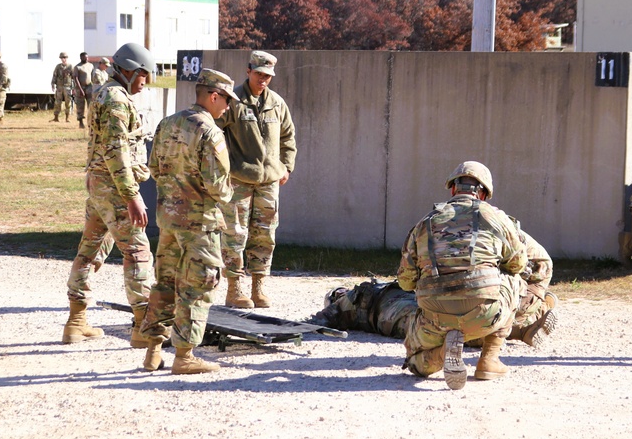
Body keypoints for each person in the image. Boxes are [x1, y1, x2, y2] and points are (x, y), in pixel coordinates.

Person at [307, 229, 559, 349]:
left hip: (401, 313)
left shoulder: (351, 302)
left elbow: (320, 320)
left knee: (447, 326)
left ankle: (520, 329)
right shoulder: (354, 300)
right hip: (403, 309)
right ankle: (520, 327)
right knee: (458, 320)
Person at [396, 161, 528, 390]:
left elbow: (405, 282)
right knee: (513, 279)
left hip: (434, 319)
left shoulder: (425, 222)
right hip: (484, 315)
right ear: (484, 193)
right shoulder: (497, 218)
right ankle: (489, 359)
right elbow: (518, 264)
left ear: (453, 189)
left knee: (416, 365)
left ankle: (442, 352)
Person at [139, 68, 236, 375]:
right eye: (226, 100)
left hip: (168, 220)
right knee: (197, 286)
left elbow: (153, 167)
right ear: (213, 95)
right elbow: (218, 186)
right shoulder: (209, 132)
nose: (228, 107)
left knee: (165, 283)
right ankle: (184, 355)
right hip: (200, 224)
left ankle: (153, 351)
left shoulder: (167, 124)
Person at [63, 43, 157, 346]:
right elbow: (115, 152)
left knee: (90, 250)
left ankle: (76, 322)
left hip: (100, 185)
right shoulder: (116, 100)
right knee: (138, 253)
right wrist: (132, 196)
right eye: (143, 74)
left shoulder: (107, 93)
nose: (146, 80)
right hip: (116, 188)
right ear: (128, 70)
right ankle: (144, 327)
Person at [216, 51, 297, 309]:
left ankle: (258, 285)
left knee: (264, 235)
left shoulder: (277, 103)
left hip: (269, 182)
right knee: (235, 234)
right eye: (259, 74)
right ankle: (235, 288)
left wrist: (286, 168)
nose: (263, 79)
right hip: (239, 180)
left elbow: (288, 137)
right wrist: (224, 167)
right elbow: (214, 134)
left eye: (268, 76)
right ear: (248, 70)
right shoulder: (234, 101)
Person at [51, 52, 74, 123]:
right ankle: (56, 117)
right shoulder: (58, 67)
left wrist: (74, 88)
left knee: (68, 102)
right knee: (57, 102)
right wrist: (52, 84)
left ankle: (67, 118)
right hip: (59, 87)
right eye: (62, 58)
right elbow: (55, 75)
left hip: (67, 87)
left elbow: (73, 77)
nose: (63, 59)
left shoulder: (70, 66)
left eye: (64, 58)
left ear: (67, 58)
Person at [73, 52, 93, 129]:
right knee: (80, 105)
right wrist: (80, 89)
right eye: (85, 57)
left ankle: (90, 122)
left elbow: (92, 76)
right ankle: (80, 122)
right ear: (81, 58)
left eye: (87, 57)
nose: (87, 59)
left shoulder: (91, 65)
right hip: (80, 88)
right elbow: (76, 78)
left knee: (91, 105)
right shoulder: (77, 67)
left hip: (89, 87)